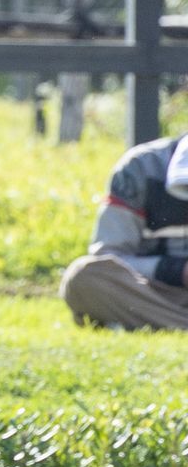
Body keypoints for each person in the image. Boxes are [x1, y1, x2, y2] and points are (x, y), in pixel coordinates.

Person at [60, 133, 188, 330]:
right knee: (83, 276)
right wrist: (177, 271)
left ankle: (150, 323)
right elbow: (109, 256)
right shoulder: (141, 168)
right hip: (153, 292)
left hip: (152, 307)